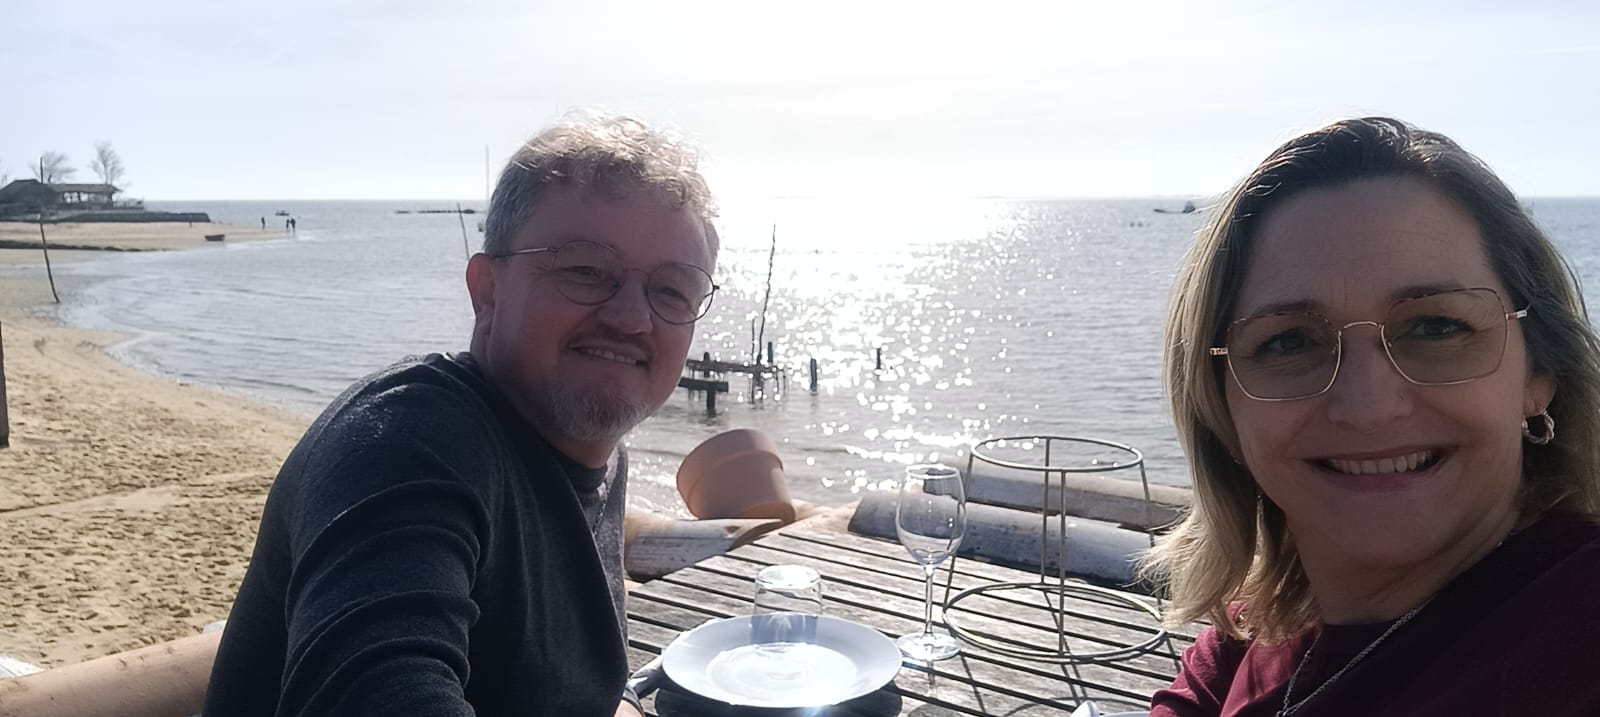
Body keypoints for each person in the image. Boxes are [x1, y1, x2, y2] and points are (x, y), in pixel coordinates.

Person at [204, 116, 720, 716]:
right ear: (488, 291)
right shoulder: (409, 442)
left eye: (672, 290)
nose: (631, 318)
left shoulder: (589, 448)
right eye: (586, 270)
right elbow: (378, 688)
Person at [1142, 117, 1600, 716]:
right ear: (1219, 402)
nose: (1368, 408)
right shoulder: (1247, 635)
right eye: (1289, 341)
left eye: (1435, 327)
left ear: (1538, 375)